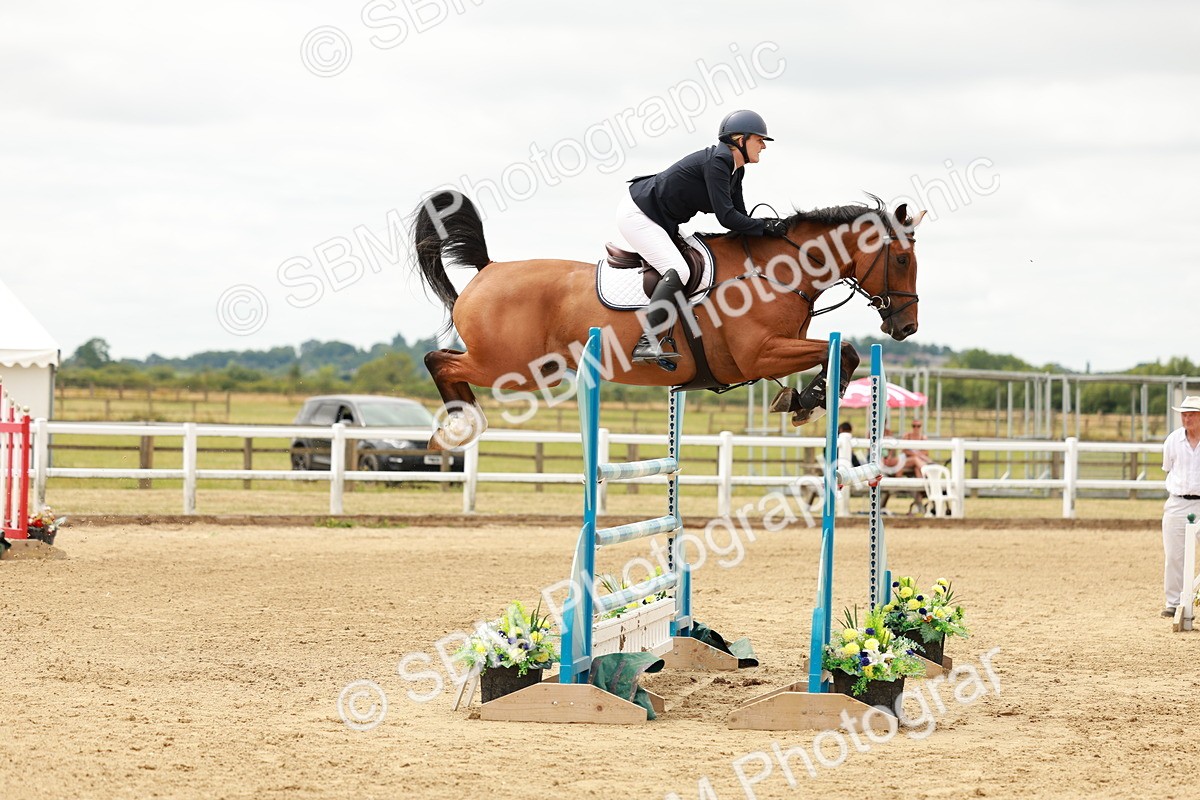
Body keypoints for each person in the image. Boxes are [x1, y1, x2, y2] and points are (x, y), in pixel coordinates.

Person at [617, 109, 789, 367]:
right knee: (679, 270)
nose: (763, 145)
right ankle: (646, 342)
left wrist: (766, 229)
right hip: (640, 215)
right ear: (739, 139)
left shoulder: (736, 170)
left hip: (662, 220)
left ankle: (674, 337)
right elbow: (727, 217)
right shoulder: (718, 163)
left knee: (697, 266)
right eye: (758, 139)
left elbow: (740, 216)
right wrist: (766, 227)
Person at [1160, 396, 1200, 618]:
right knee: (1174, 554)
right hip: (1177, 502)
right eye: (1184, 414)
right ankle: (1173, 602)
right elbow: (1169, 468)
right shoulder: (1173, 441)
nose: (1187, 418)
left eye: (1192, 413)